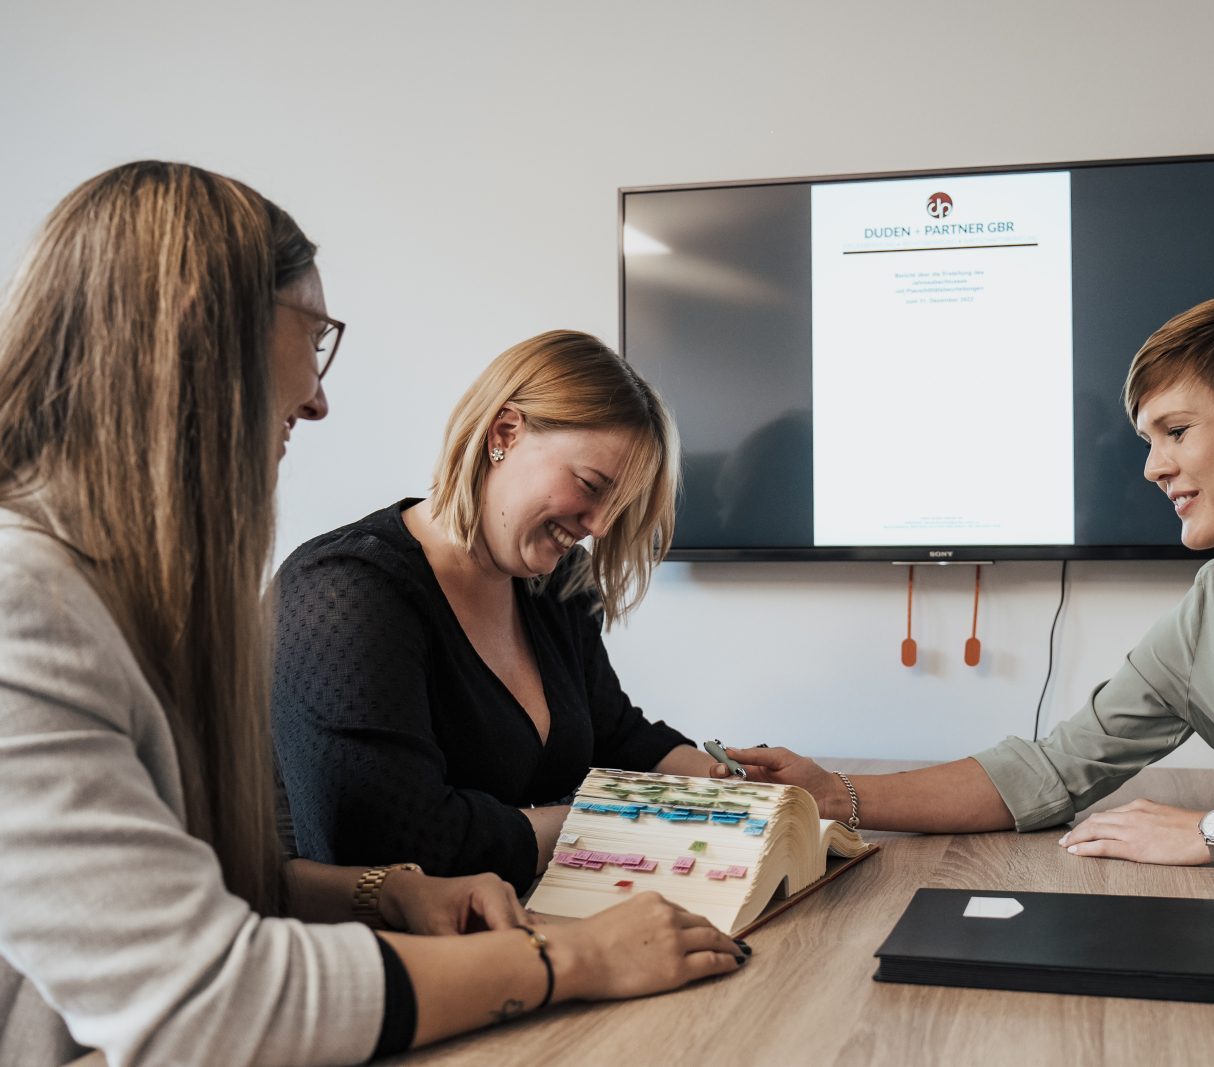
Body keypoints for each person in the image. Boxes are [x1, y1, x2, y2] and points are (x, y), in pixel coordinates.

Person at [0, 161, 745, 1067]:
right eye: (312, 339)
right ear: (194, 341)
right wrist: (567, 958)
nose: (319, 398)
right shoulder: (22, 604)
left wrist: (380, 893)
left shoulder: (123, 594)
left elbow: (186, 891)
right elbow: (205, 1000)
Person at [723, 294, 1214, 882]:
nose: (1152, 468)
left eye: (1176, 430)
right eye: (1147, 440)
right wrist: (832, 792)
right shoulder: (1210, 618)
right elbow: (1051, 771)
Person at [272, 330, 731, 895]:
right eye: (590, 486)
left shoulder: (558, 583)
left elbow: (614, 732)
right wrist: (598, 826)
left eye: (619, 507)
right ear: (505, 434)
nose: (601, 527)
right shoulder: (346, 593)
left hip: (520, 907)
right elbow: (395, 845)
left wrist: (729, 783)